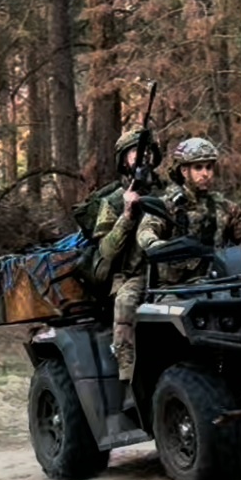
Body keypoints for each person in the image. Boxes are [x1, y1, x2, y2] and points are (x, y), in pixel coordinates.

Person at [90, 126, 165, 383]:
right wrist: (127, 216)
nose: (142, 158)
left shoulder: (169, 193)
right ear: (124, 160)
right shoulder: (112, 201)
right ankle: (128, 376)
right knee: (125, 301)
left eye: (146, 152)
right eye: (135, 152)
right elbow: (106, 251)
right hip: (132, 275)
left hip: (169, 271)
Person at [136, 136, 241, 285]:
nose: (205, 174)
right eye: (198, 167)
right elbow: (146, 231)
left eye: (209, 167)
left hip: (218, 283)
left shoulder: (224, 207)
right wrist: (156, 245)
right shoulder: (168, 205)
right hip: (175, 288)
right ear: (184, 171)